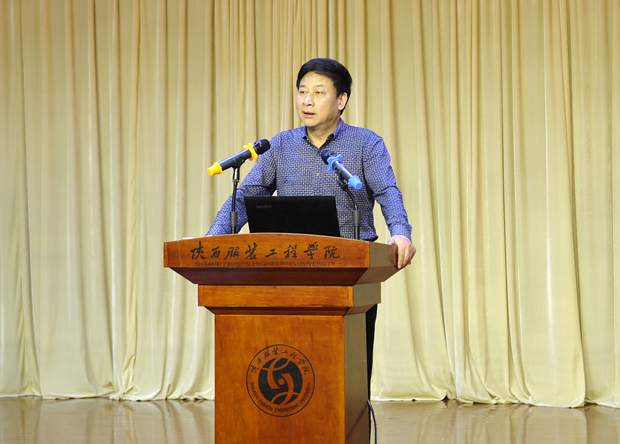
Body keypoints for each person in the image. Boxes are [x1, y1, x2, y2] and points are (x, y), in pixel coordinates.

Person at [206, 57, 416, 401]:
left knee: (343, 381)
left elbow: (387, 191)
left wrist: (400, 231)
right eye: (302, 92)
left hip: (349, 274)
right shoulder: (281, 145)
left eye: (318, 92)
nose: (307, 100)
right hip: (288, 274)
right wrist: (214, 239)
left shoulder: (366, 144)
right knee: (291, 366)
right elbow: (246, 196)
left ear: (341, 100)